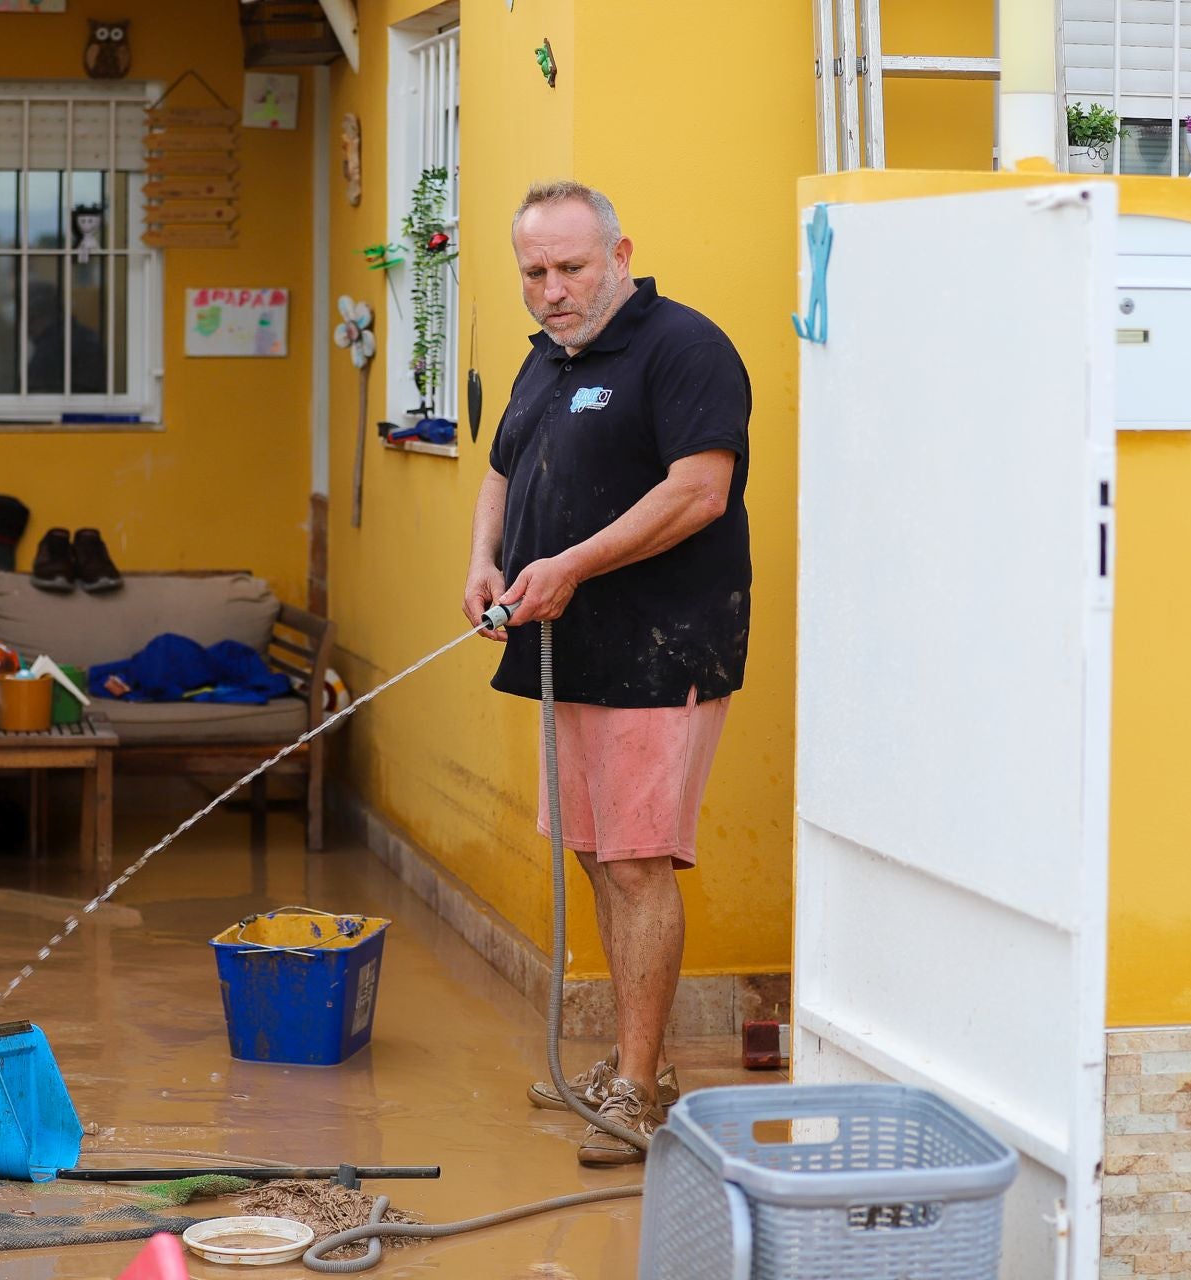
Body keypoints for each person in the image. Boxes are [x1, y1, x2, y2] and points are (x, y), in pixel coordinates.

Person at [462, 180, 752, 1166]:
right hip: (566, 646)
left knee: (637, 860)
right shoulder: (547, 359)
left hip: (659, 644)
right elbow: (504, 464)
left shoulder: (684, 348)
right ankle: (645, 1064)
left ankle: (638, 1092)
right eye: (533, 272)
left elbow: (700, 490)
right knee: (595, 852)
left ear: (621, 252)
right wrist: (484, 559)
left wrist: (574, 563)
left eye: (571, 267)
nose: (551, 290)